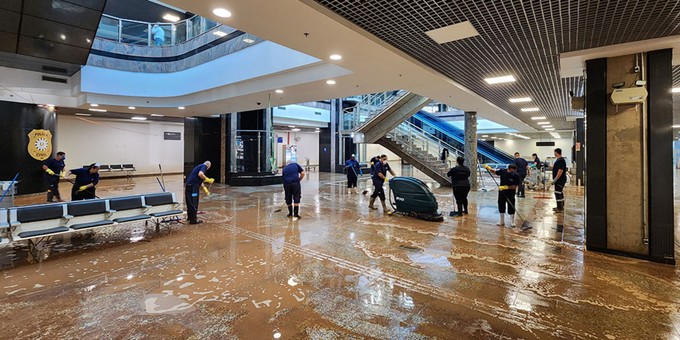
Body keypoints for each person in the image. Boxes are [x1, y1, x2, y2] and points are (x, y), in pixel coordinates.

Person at [550, 148, 567, 213]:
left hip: (560, 180)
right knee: (560, 192)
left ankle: (560, 208)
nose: (554, 154)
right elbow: (557, 168)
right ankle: (561, 207)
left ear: (556, 152)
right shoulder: (559, 160)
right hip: (560, 179)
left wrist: (555, 180)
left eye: (554, 152)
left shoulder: (560, 160)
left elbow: (560, 170)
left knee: (557, 193)